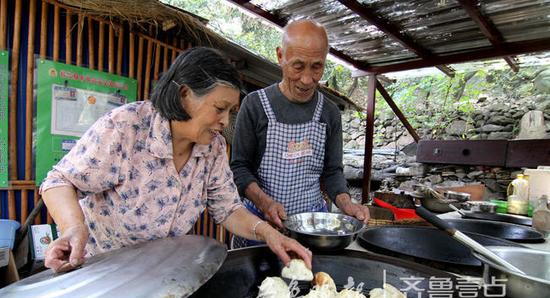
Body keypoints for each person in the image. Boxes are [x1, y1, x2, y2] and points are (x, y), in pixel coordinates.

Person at [40, 47, 312, 273]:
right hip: (102, 274)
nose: (225, 121)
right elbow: (59, 181)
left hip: (162, 274)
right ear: (184, 95)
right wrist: (73, 227)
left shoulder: (212, 148)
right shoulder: (127, 127)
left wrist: (270, 234)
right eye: (220, 109)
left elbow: (228, 209)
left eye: (231, 111)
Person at [230, 19, 370, 248]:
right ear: (280, 56)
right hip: (260, 225)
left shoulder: (329, 112)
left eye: (316, 66)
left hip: (312, 229)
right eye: (298, 66)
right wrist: (265, 202)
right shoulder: (255, 105)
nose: (307, 79)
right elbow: (239, 168)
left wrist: (347, 204)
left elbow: (332, 171)